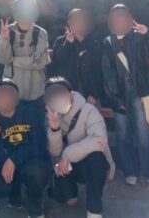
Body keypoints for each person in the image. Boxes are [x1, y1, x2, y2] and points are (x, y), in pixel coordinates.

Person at [101, 4, 149, 189]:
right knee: (122, 134)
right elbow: (107, 72)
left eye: (122, 17)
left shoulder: (139, 37)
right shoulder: (108, 42)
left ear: (130, 19)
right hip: (120, 92)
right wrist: (115, 98)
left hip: (140, 91)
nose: (118, 21)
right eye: (115, 17)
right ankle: (130, 171)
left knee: (143, 133)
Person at [45, 77, 114, 218]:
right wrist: (54, 129)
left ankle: (94, 210)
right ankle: (67, 192)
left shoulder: (89, 111)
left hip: (89, 162)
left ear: (70, 95)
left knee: (96, 159)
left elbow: (98, 140)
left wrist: (68, 154)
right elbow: (54, 153)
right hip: (65, 165)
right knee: (68, 200)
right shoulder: (52, 116)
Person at [0, 79, 50, 218]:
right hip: (7, 162)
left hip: (31, 161)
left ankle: (35, 205)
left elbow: (39, 145)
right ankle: (15, 196)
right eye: (0, 95)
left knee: (36, 172)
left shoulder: (31, 113)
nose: (5, 98)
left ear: (17, 98)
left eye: (9, 94)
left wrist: (13, 160)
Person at [0, 0, 50, 106]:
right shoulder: (7, 30)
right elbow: (3, 59)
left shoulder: (40, 33)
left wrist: (14, 61)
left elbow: (39, 62)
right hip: (12, 89)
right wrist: (5, 39)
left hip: (37, 91)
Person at [49, 9, 103, 106]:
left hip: (89, 94)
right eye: (75, 20)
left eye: (82, 19)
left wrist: (93, 94)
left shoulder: (93, 43)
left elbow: (97, 70)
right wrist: (68, 43)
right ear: (69, 23)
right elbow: (58, 61)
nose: (79, 22)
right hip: (66, 93)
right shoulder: (60, 41)